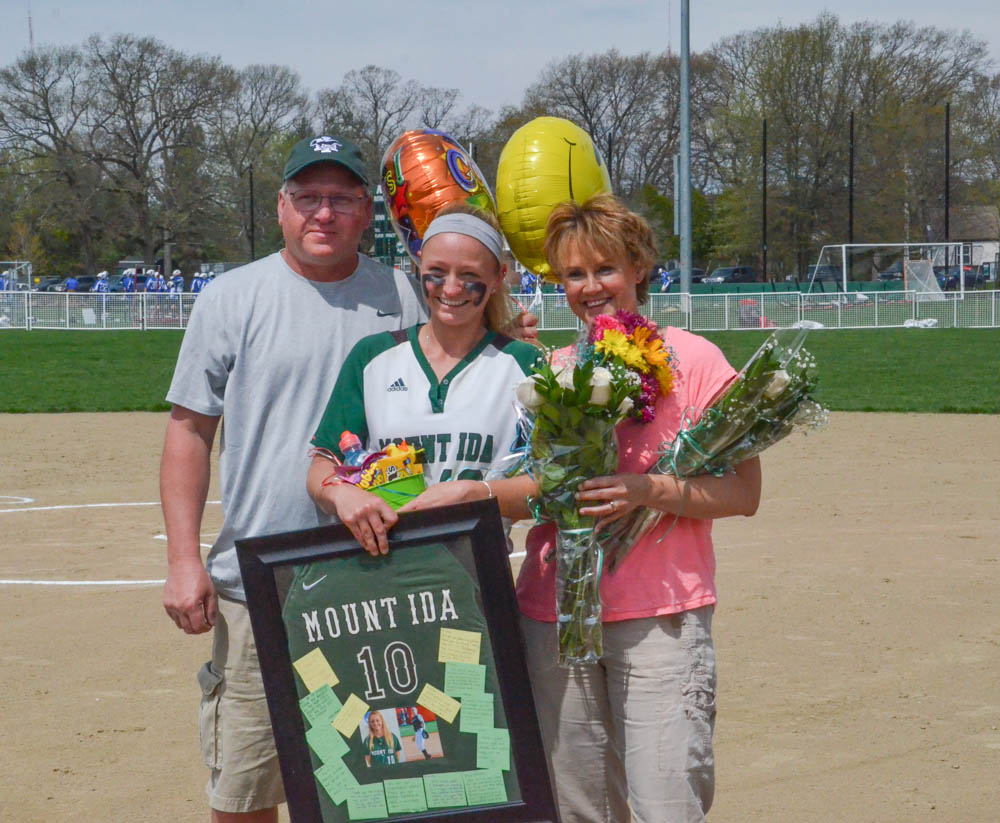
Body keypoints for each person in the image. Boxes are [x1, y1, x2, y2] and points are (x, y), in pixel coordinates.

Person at [161, 135, 535, 823]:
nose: (323, 212)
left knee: (384, 784)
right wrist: (185, 559)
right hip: (264, 583)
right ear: (281, 206)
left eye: (342, 198)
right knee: (244, 792)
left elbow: (469, 340)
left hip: (388, 588)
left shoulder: (405, 292)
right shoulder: (230, 298)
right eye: (308, 196)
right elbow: (189, 432)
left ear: (369, 211)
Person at [515, 194, 762, 823]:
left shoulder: (695, 358)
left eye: (606, 269)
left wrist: (649, 490)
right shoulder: (547, 372)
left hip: (659, 621)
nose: (591, 287)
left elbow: (744, 493)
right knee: (578, 811)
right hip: (556, 616)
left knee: (666, 807)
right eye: (574, 274)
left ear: (639, 268)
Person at [307, 203, 540, 557]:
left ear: (498, 277)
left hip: (482, 577)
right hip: (386, 576)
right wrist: (342, 494)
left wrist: (478, 494)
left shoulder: (525, 364)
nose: (450, 288)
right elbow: (322, 466)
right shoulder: (373, 357)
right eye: (437, 271)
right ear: (418, 270)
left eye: (468, 274)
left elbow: (554, 485)